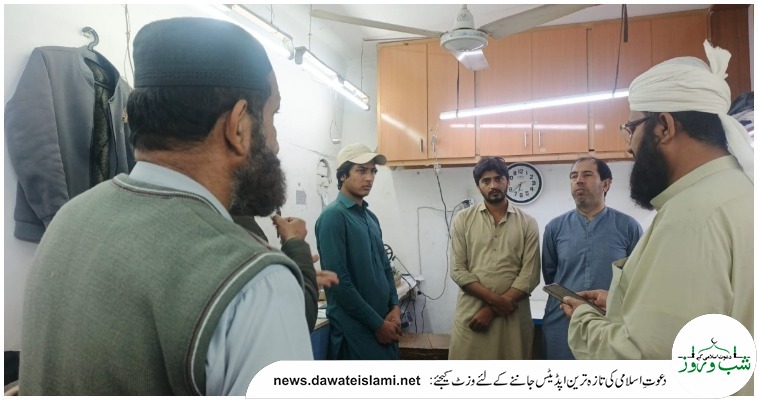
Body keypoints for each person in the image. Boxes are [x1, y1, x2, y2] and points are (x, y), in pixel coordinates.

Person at [19, 17, 313, 395]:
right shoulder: (256, 283)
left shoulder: (69, 219)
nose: (274, 141)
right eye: (272, 116)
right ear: (239, 125)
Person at [561, 41, 753, 396]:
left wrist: (584, 319)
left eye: (631, 128)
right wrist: (620, 303)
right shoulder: (739, 192)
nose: (629, 146)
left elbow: (644, 361)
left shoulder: (690, 218)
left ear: (663, 126)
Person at [541, 157, 642, 360]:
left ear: (606, 184)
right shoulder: (555, 228)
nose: (579, 180)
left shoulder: (628, 227)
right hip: (562, 321)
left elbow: (637, 279)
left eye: (587, 175)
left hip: (609, 322)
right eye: (574, 176)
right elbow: (550, 273)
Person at [448, 157, 541, 360]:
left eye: (498, 179)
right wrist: (497, 302)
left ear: (508, 181)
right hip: (472, 313)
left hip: (513, 315)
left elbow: (530, 275)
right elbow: (457, 270)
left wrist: (491, 310)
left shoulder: (527, 222)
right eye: (486, 181)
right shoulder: (463, 219)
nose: (493, 185)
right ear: (478, 186)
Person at [314, 143, 401, 360]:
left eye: (373, 171)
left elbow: (385, 268)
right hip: (356, 334)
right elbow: (339, 283)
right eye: (361, 171)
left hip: (384, 325)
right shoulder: (333, 217)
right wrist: (377, 324)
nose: (369, 178)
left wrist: (395, 306)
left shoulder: (370, 218)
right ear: (343, 175)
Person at [232, 213, 339, 332]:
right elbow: (298, 319)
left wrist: (300, 273)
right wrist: (295, 241)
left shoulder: (238, 222)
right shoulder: (241, 226)